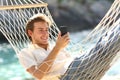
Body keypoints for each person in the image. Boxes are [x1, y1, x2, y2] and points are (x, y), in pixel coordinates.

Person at [18, 13, 73, 80]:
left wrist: (59, 47)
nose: (45, 34)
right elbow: (38, 75)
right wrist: (57, 48)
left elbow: (72, 61)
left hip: (76, 71)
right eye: (41, 30)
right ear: (30, 33)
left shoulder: (56, 46)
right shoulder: (25, 53)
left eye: (46, 30)